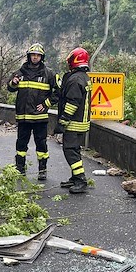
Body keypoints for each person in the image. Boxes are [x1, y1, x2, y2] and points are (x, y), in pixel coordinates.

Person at [7, 42, 59, 180]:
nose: (35, 57)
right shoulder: (19, 72)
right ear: (28, 56)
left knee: (41, 143)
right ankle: (20, 168)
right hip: (23, 117)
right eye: (33, 55)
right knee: (21, 143)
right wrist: (13, 83)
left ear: (42, 57)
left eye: (38, 55)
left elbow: (59, 92)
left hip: (39, 118)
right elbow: (10, 88)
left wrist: (46, 104)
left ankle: (42, 170)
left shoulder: (49, 74)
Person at [56, 47, 92, 194]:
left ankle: (81, 180)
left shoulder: (76, 79)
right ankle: (75, 178)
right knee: (75, 150)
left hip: (74, 123)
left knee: (70, 150)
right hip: (82, 122)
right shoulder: (83, 77)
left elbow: (72, 102)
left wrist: (63, 121)